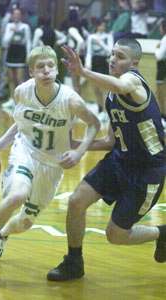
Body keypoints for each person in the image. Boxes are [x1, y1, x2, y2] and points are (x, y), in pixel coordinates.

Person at [0, 45, 101, 272]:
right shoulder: (22, 92)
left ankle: (1, 235)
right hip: (25, 153)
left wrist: (79, 152)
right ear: (31, 72)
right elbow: (19, 127)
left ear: (56, 70)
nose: (46, 71)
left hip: (53, 165)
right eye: (40, 67)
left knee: (25, 222)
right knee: (18, 195)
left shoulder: (71, 101)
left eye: (51, 66)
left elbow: (94, 124)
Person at [47, 38, 166, 281]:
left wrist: (82, 72)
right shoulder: (110, 98)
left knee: (115, 236)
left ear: (134, 63)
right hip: (118, 161)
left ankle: (161, 233)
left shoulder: (133, 81)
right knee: (76, 201)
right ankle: (74, 262)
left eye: (120, 56)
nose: (112, 59)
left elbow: (121, 86)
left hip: (146, 171)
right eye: (112, 54)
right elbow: (110, 141)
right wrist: (76, 145)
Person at [0, 7, 31, 109]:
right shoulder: (9, 26)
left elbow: (28, 41)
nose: (16, 16)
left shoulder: (25, 27)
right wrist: (13, 31)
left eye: (18, 14)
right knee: (11, 78)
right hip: (11, 52)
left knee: (20, 79)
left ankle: (22, 101)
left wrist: (28, 56)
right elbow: (5, 42)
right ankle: (11, 99)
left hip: (21, 52)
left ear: (21, 15)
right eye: (14, 14)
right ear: (12, 15)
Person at [85, 19, 113, 122]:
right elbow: (89, 52)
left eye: (104, 26)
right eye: (101, 25)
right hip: (94, 62)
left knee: (103, 88)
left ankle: (106, 111)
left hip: (103, 62)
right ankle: (100, 108)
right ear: (97, 26)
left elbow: (109, 51)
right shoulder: (91, 37)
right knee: (95, 87)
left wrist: (101, 43)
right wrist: (88, 64)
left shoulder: (108, 37)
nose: (103, 28)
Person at [155, 18, 166, 128]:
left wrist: (156, 48)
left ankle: (163, 117)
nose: (159, 29)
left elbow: (159, 56)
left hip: (162, 69)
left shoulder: (164, 39)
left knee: (161, 94)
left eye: (160, 27)